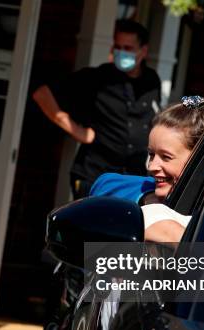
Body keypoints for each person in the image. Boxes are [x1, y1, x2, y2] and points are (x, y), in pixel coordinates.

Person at [33, 19, 161, 199]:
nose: (121, 52)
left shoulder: (151, 80)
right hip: (96, 176)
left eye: (128, 48)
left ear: (143, 51)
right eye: (118, 46)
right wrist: (77, 131)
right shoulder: (99, 77)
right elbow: (42, 94)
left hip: (133, 179)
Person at [90, 95, 204, 242]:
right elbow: (104, 184)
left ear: (200, 161)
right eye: (151, 154)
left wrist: (175, 234)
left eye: (166, 157)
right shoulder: (149, 190)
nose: (151, 166)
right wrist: (148, 200)